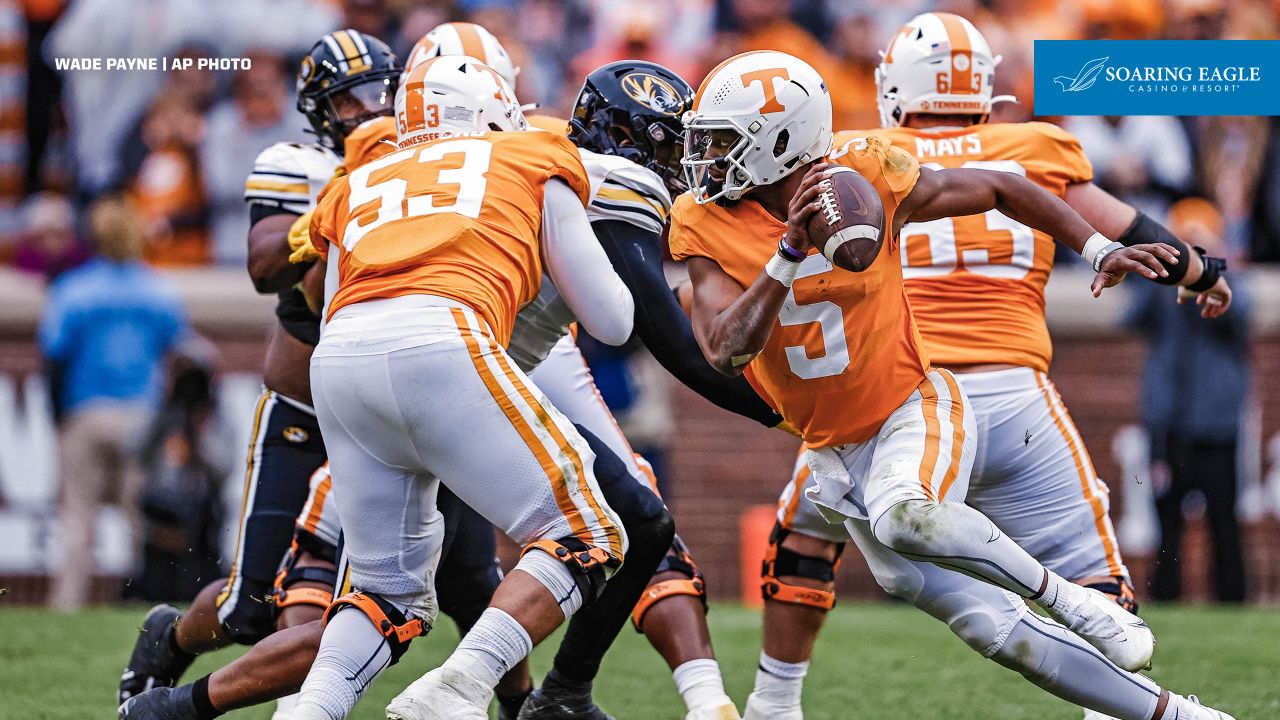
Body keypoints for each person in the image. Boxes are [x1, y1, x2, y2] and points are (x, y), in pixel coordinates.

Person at [673, 49, 1232, 720]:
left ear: (782, 142)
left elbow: (1003, 187)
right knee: (986, 627)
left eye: (725, 140)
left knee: (902, 513)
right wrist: (789, 254)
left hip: (915, 404)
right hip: (835, 449)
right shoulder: (701, 218)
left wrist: (1098, 249)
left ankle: (1071, 598)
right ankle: (1181, 716)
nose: (706, 155)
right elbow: (724, 349)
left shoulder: (867, 173)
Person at [295, 55, 637, 720]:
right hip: (443, 335)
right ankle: (461, 687)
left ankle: (306, 713)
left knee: (380, 591)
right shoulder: (529, 156)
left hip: (338, 360)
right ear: (491, 111)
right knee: (588, 532)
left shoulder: (355, 180)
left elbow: (335, 306)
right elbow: (614, 321)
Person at [117, 29, 403, 713]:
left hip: (385, 422)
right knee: (250, 605)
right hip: (305, 412)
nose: (370, 110)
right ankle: (171, 639)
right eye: (351, 100)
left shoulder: (424, 166)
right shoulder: (300, 164)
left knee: (463, 581)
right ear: (318, 109)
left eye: (380, 92)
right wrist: (332, 212)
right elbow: (262, 264)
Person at [39, 194, 189, 610]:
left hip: (86, 411)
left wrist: (58, 418)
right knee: (139, 518)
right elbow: (179, 358)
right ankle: (142, 602)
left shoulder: (73, 289)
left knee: (77, 518)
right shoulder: (158, 290)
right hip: (141, 415)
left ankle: (68, 603)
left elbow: (53, 357)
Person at [1128, 198, 1250, 602]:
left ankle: (1233, 600)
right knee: (1167, 526)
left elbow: (1241, 314)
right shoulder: (1159, 289)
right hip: (1169, 423)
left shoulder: (1230, 280)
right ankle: (1165, 600)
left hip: (1216, 423)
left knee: (1223, 521)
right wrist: (1164, 271)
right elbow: (1128, 316)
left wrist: (1205, 275)